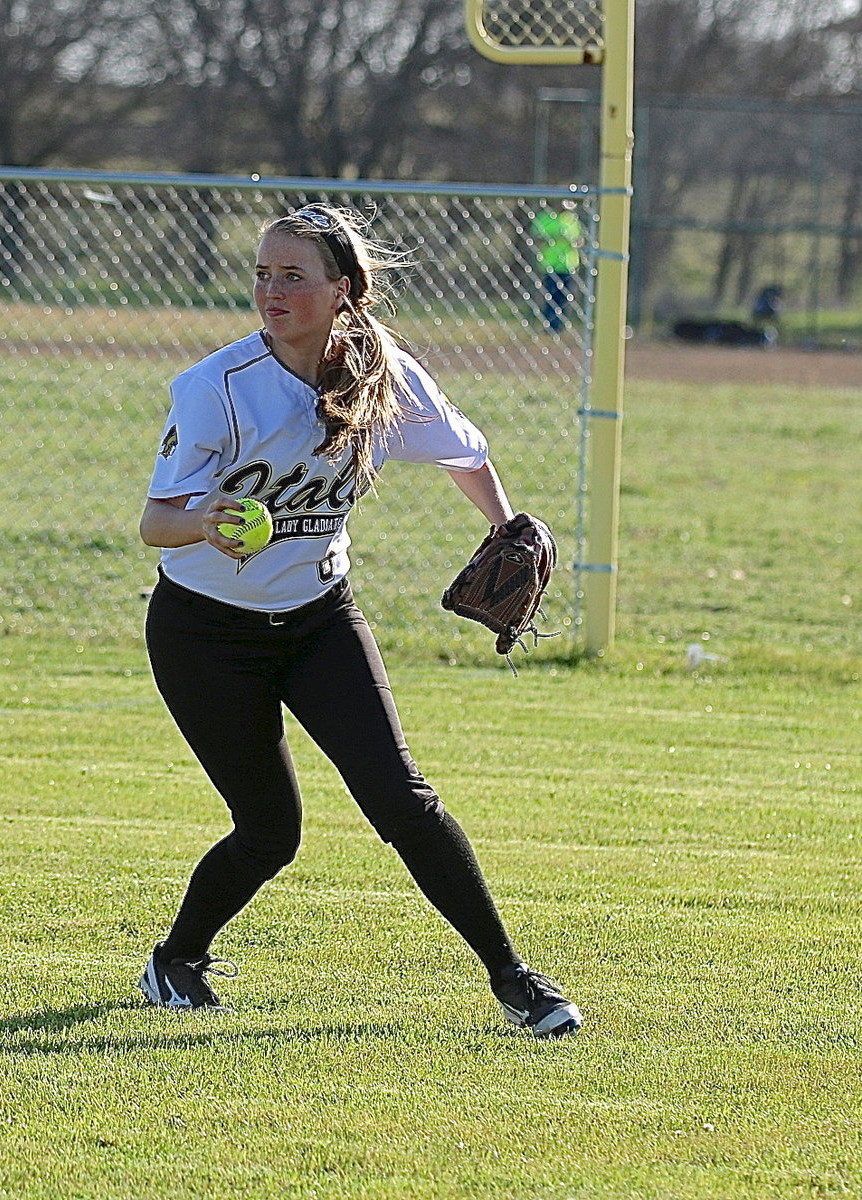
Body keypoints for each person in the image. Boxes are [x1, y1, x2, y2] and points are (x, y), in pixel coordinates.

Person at [137, 203, 583, 1037]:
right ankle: (175, 959)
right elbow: (154, 523)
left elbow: (465, 451)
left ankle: (514, 980)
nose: (271, 290)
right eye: (263, 273)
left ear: (342, 290)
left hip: (318, 620)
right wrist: (206, 518)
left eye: (293, 276)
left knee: (402, 799)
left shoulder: (381, 372)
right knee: (271, 832)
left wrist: (502, 528)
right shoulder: (215, 388)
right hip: (205, 632)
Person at [530, 200, 583, 332]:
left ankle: (560, 326)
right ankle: (550, 326)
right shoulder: (545, 218)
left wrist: (573, 241)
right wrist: (553, 238)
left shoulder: (571, 220)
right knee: (551, 296)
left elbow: (579, 239)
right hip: (550, 264)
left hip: (568, 264)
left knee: (564, 297)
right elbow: (536, 237)